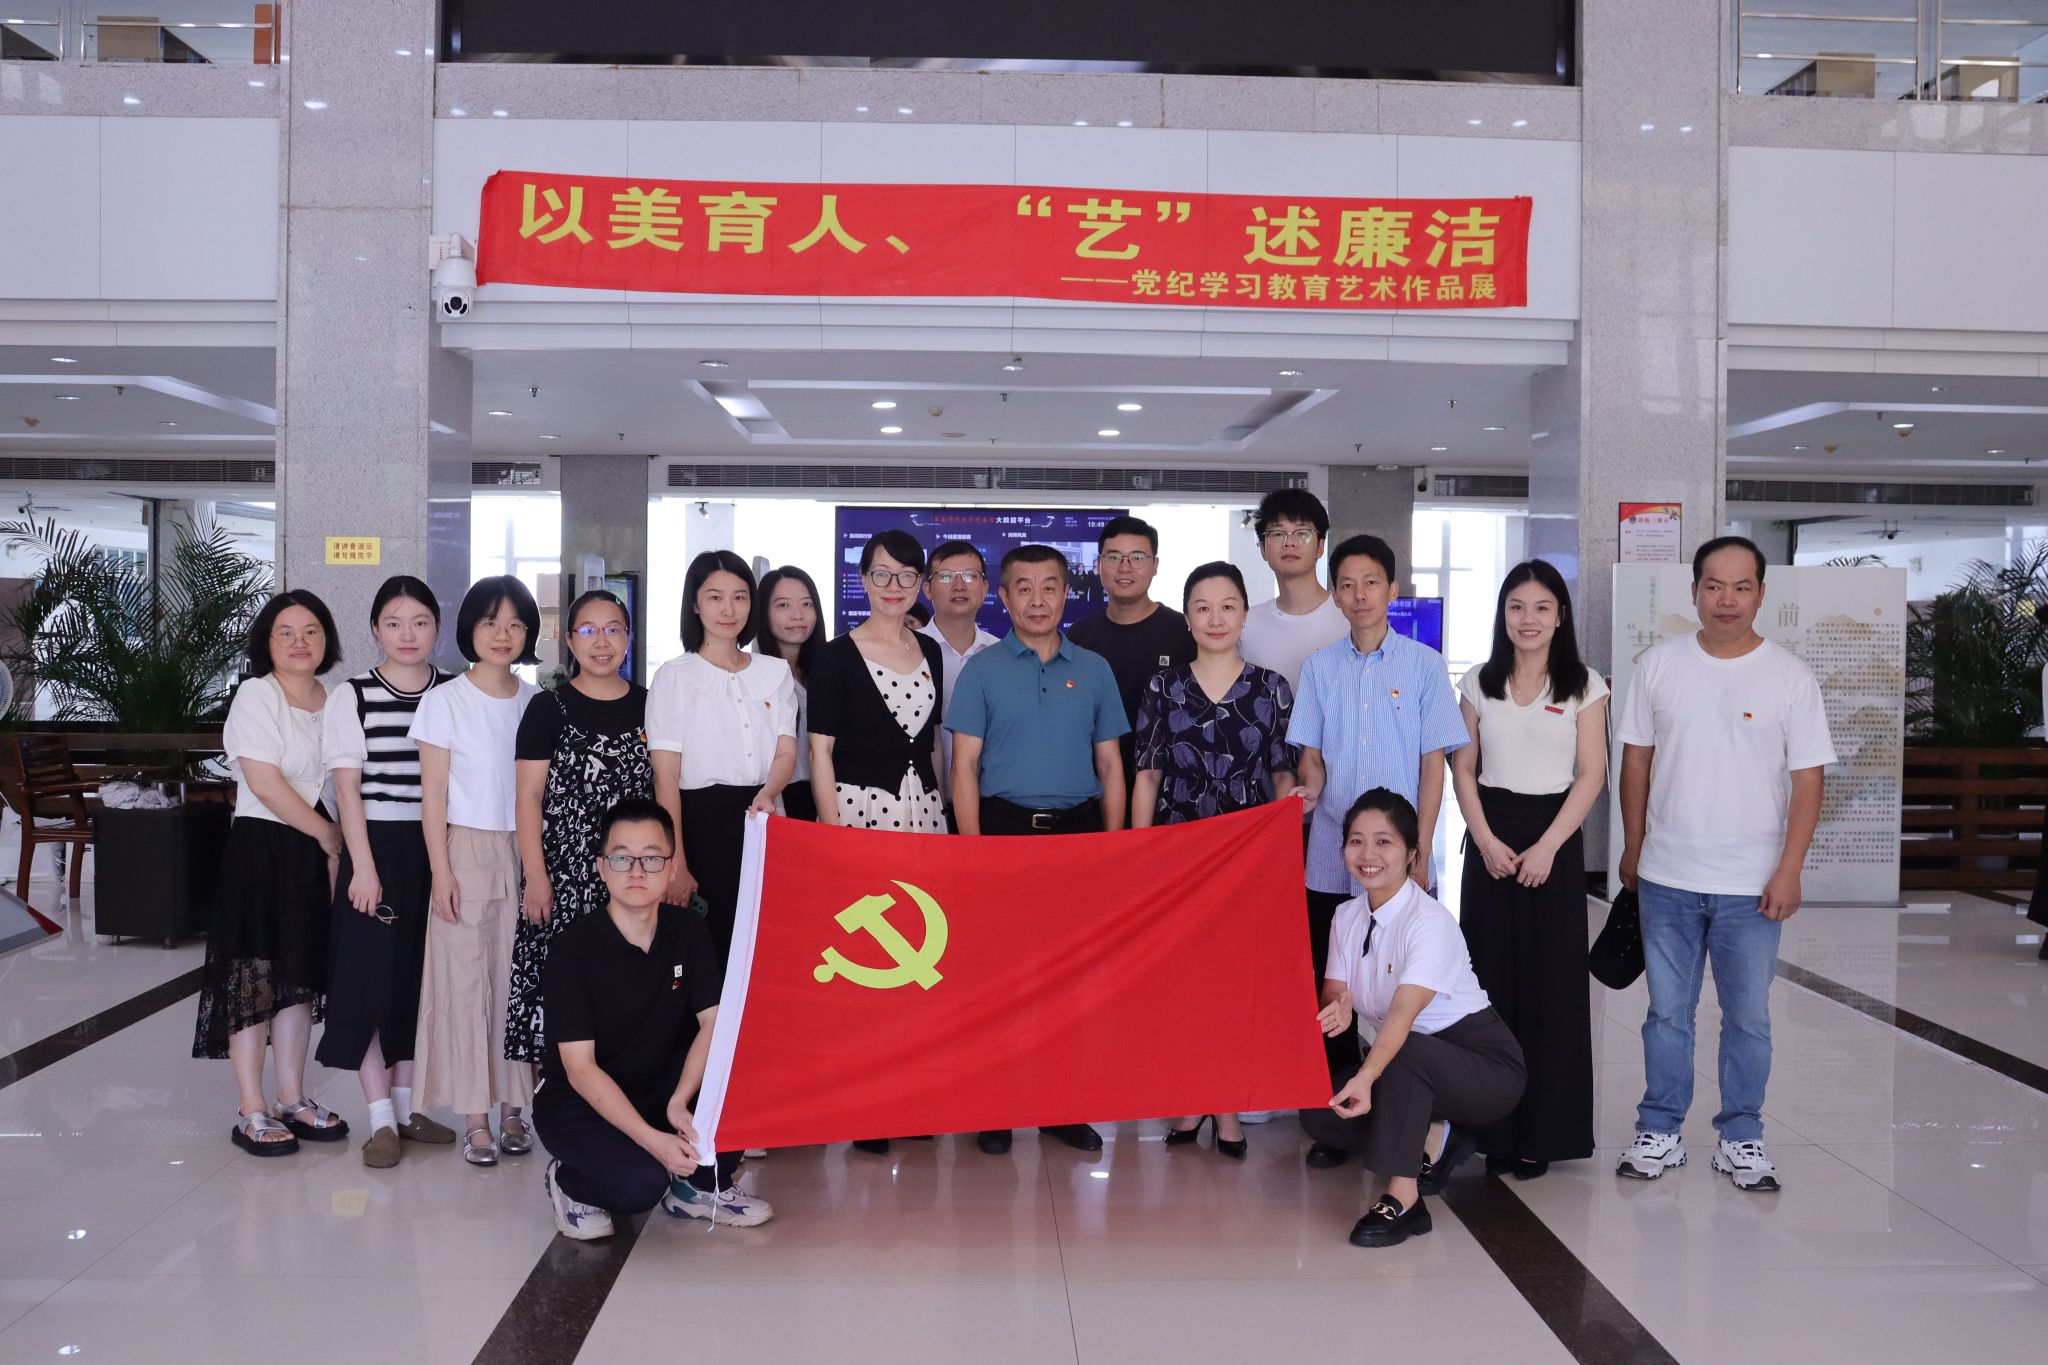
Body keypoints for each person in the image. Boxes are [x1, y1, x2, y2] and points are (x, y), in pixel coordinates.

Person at [1616, 536, 1835, 1193]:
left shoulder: (1790, 676)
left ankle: (1742, 1136)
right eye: (1714, 586)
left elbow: (1808, 780)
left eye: (1742, 587)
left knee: (1748, 1018)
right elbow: (1635, 761)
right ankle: (1660, 1129)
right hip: (1668, 876)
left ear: (1762, 594)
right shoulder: (1659, 665)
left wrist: (1790, 868)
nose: (1727, 599)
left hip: (1752, 884)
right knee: (1666, 1014)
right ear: (1694, 592)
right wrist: (1633, 845)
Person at [1290, 533, 1468, 1169]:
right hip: (1331, 852)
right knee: (1332, 985)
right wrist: (1308, 790)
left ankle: (1402, 1107)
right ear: (1335, 596)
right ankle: (1339, 1115)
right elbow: (1310, 756)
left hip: (1398, 858)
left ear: (1392, 590)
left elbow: (1433, 765)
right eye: (1347, 584)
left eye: (1371, 582)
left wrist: (1419, 849)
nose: (1359, 594)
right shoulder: (1319, 668)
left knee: (1400, 984)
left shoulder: (1423, 666)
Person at [948, 542, 1128, 1156]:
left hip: (1077, 834)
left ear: (1066, 593)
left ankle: (1059, 1105)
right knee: (999, 977)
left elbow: (1111, 765)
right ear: (1003, 598)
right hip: (1002, 832)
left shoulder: (1095, 669)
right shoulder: (983, 671)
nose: (1037, 599)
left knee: (1070, 979)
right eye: (1023, 588)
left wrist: (1114, 848)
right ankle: (996, 1105)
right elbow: (963, 766)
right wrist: (972, 851)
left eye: (1049, 586)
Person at [534, 798, 773, 1239]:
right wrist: (654, 1142)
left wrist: (680, 1100)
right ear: (601, 867)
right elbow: (580, 1069)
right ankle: (568, 1182)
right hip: (578, 1103)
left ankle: (699, 1188)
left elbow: (713, 1024)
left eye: (651, 858)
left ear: (671, 867)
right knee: (640, 1186)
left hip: (658, 1087)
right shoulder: (572, 950)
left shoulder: (688, 930)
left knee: (742, 1064)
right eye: (622, 858)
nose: (637, 871)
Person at [1301, 789, 1527, 1248]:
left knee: (1399, 1053)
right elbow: (1335, 989)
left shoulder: (1429, 922)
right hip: (1410, 1061)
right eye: (1356, 841)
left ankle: (1404, 1200)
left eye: (1383, 842)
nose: (1368, 855)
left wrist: (1367, 1078)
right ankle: (1434, 1132)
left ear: (1411, 854)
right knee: (1320, 1116)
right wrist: (1340, 1005)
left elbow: (1402, 1018)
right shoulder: (1346, 916)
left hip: (1484, 1066)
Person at [1133, 561, 1298, 1159]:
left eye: (1228, 606)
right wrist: (1137, 855)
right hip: (1177, 852)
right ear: (1187, 617)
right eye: (1202, 607)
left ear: (1245, 614)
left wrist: (1280, 845)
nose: (1215, 618)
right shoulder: (1163, 686)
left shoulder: (1271, 688)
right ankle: (1188, 1100)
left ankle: (1226, 1106)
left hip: (1245, 858)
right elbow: (1147, 773)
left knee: (1233, 985)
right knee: (1182, 985)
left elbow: (1283, 773)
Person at [1449, 560, 1607, 1181]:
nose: (1528, 619)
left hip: (1553, 841)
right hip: (1491, 841)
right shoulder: (1478, 681)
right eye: (1517, 606)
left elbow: (1591, 774)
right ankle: (1492, 1131)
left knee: (1552, 989)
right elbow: (1463, 768)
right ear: (1503, 615)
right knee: (1488, 985)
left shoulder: (1584, 685)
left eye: (1542, 607)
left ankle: (1544, 1132)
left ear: (1560, 616)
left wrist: (1547, 848)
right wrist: (1484, 839)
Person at [193, 590, 352, 1156]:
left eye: (311, 631)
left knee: (298, 978)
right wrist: (327, 835)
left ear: (327, 638)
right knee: (254, 976)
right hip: (264, 846)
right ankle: (251, 1107)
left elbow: (340, 780)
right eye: (286, 632)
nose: (299, 642)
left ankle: (292, 1097)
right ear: (267, 641)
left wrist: (335, 848)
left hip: (314, 850)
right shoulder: (257, 695)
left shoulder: (336, 698)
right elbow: (264, 782)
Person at [809, 530, 949, 1157]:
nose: (894, 587)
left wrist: (944, 816)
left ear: (921, 583)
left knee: (922, 955)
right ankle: (867, 1103)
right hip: (861, 817)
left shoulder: (931, 651)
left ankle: (913, 1094)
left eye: (907, 575)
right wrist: (832, 837)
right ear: (863, 580)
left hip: (925, 819)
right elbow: (820, 752)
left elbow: (934, 743)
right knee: (868, 962)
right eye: (882, 574)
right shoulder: (837, 657)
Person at [316, 576, 459, 1167]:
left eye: (420, 622)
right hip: (374, 846)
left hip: (437, 849)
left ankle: (405, 1110)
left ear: (437, 628)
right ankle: (378, 1119)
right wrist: (362, 868)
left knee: (416, 982)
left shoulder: (453, 692)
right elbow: (347, 791)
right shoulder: (351, 695)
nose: (408, 634)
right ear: (375, 629)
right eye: (394, 623)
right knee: (368, 981)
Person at [410, 574, 543, 1166]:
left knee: (519, 984)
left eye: (515, 624)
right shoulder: (444, 701)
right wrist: (441, 872)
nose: (503, 634)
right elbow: (433, 797)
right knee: (466, 987)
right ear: (470, 628)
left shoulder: (536, 702)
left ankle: (515, 1112)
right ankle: (474, 1120)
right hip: (465, 849)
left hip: (528, 851)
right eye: (491, 622)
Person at [508, 589, 652, 1073]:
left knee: (629, 989)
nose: (601, 642)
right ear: (569, 640)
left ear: (628, 638)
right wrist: (536, 877)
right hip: (565, 879)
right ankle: (559, 1102)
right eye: (588, 630)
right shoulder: (547, 709)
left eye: (613, 630)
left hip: (632, 876)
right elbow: (528, 799)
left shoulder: (650, 706)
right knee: (564, 996)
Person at [647, 550, 799, 959]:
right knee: (707, 954)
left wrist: (768, 793)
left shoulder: (775, 672)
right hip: (700, 826)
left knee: (767, 950)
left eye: (740, 596)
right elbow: (666, 779)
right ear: (695, 605)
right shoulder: (674, 677)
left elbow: (786, 751)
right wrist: (676, 862)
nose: (729, 610)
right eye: (715, 597)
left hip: (763, 818)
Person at [1066, 514, 1195, 806]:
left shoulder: (1184, 633)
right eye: (1114, 557)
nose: (1125, 568)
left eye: (1137, 557)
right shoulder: (1078, 637)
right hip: (1093, 792)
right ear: (1099, 564)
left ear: (1155, 565)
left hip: (1169, 793)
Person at [918, 540, 1000, 823]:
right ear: (927, 589)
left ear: (985, 587)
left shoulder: (1001, 655)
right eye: (945, 576)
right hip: (920, 805)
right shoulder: (908, 651)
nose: (958, 585)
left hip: (990, 806)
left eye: (969, 576)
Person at [1240, 489, 1347, 696]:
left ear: (1320, 546)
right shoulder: (1246, 624)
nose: (1289, 542)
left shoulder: (1348, 618)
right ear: (1262, 548)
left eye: (1302, 533)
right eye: (1278, 534)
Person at [753, 566, 826, 822]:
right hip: (775, 798)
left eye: (806, 604)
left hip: (825, 794)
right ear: (763, 612)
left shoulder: (828, 671)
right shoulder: (754, 676)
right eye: (783, 605)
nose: (797, 615)